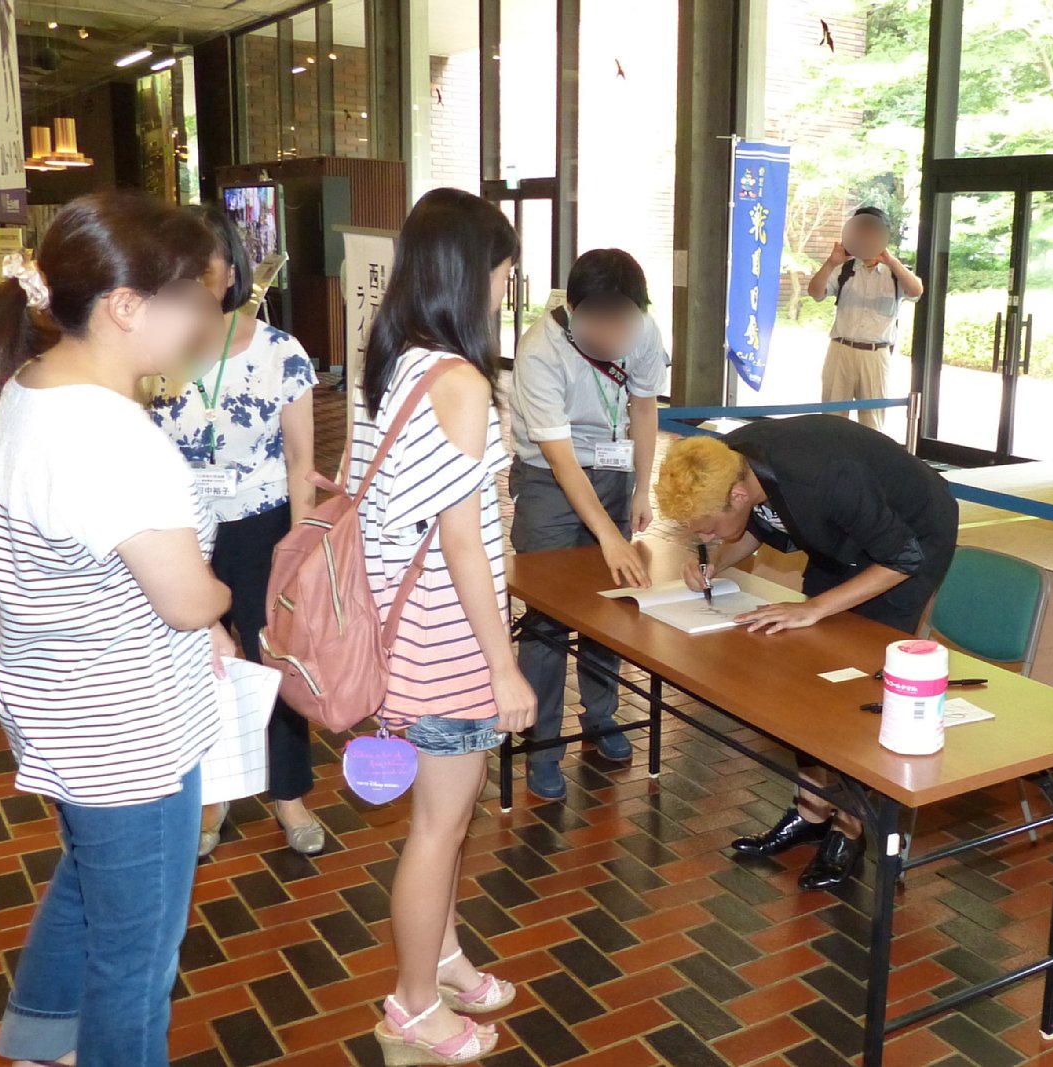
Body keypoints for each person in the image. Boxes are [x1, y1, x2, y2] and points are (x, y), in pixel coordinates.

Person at [0, 191, 233, 1067]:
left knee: (88, 884)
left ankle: (42, 1040)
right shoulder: (110, 435)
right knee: (137, 962)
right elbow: (186, 598)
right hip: (127, 736)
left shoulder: (30, 389)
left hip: (64, 708)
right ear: (125, 306)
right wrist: (223, 597)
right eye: (193, 299)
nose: (203, 320)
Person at [351, 187, 536, 1064]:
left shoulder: (394, 362)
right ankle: (413, 1004)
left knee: (445, 822)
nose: (505, 290)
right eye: (503, 274)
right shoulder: (458, 382)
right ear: (470, 274)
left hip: (403, 634)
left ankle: (446, 957)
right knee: (438, 828)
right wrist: (503, 666)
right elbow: (463, 539)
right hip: (446, 644)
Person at [655, 415, 958, 891]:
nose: (706, 538)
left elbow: (902, 557)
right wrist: (716, 561)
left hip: (909, 543)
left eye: (708, 529)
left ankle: (849, 829)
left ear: (737, 495)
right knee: (807, 674)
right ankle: (813, 811)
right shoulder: (730, 462)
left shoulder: (823, 476)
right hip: (842, 535)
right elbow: (761, 522)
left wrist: (814, 608)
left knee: (855, 685)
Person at [149, 205, 323, 859]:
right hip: (177, 533)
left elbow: (302, 462)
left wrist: (300, 548)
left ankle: (289, 793)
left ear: (231, 271)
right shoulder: (154, 352)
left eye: (207, 263)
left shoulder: (281, 352)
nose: (194, 279)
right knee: (193, 663)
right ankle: (210, 795)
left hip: (262, 526)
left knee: (275, 658)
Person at [508, 250, 669, 800]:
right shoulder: (540, 351)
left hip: (612, 471)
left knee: (611, 604)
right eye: (599, 322)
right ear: (573, 310)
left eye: (624, 321)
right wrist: (609, 537)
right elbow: (560, 461)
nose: (613, 335)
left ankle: (601, 717)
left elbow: (643, 407)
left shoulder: (643, 331)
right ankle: (542, 743)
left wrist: (641, 487)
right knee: (549, 616)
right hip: (548, 481)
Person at [807, 205, 924, 430]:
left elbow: (916, 291)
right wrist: (831, 262)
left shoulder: (895, 272)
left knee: (872, 423)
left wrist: (890, 260)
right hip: (840, 350)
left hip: (875, 354)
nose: (865, 237)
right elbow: (815, 292)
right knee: (831, 420)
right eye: (859, 231)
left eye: (871, 232)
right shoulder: (843, 269)